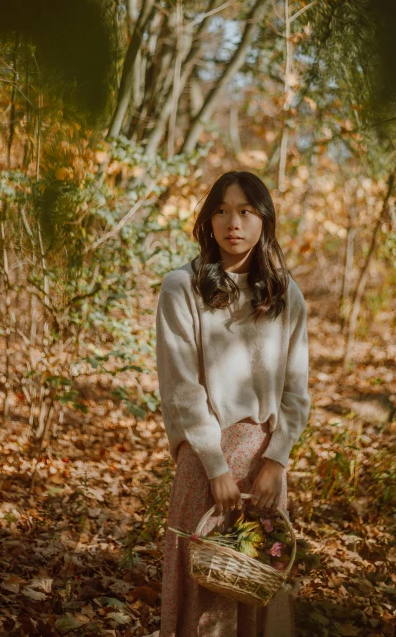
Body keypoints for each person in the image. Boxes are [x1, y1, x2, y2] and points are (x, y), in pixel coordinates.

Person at [155, 170, 310, 637]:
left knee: (254, 580)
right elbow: (181, 386)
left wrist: (277, 460)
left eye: (245, 211)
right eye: (221, 210)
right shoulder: (181, 287)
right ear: (208, 220)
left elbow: (296, 391)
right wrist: (214, 464)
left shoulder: (285, 293)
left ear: (264, 220)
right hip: (205, 460)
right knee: (202, 582)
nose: (232, 222)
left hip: (265, 463)